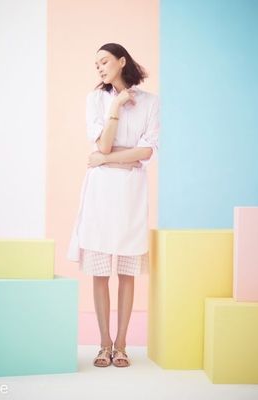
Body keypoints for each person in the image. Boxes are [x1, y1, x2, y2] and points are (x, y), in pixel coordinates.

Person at [67, 43, 160, 367]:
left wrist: (106, 159)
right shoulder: (95, 100)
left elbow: (147, 152)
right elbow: (103, 142)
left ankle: (122, 344)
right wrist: (117, 105)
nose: (100, 68)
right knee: (100, 271)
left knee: (127, 271)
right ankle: (103, 343)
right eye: (96, 65)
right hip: (101, 191)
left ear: (122, 61)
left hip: (132, 190)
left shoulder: (150, 102)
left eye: (104, 61)